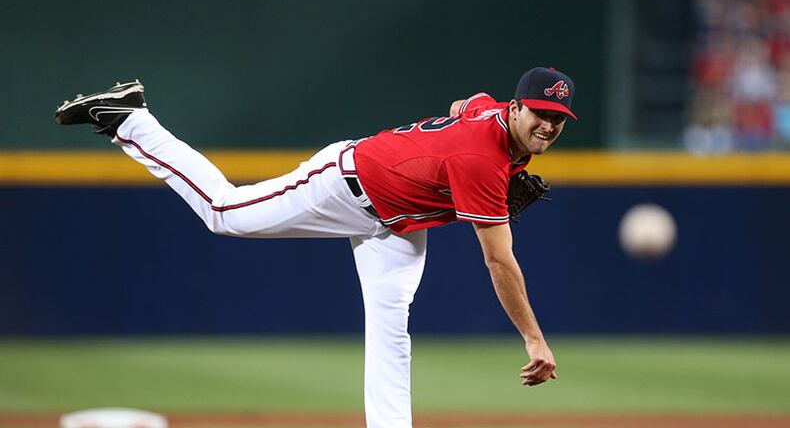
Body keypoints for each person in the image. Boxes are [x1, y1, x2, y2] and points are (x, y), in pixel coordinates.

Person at [54, 66, 576, 428]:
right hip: (345, 182)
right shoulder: (482, 162)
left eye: (556, 118)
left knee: (391, 326)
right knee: (224, 213)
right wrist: (533, 339)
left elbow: (468, 104)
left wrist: (459, 125)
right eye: (538, 113)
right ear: (516, 107)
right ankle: (131, 120)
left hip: (395, 222)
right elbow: (498, 258)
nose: (547, 125)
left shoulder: (491, 116)